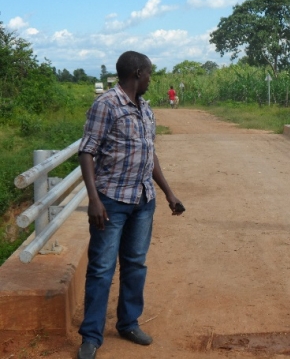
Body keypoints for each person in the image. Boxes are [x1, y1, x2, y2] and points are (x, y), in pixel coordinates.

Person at [77, 51, 184, 359]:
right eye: (149, 74)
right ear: (138, 73)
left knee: (135, 265)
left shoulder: (145, 109)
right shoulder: (106, 105)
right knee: (101, 268)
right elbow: (87, 152)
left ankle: (128, 323)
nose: (151, 79)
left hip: (143, 200)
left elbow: (149, 156)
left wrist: (168, 193)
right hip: (111, 201)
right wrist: (94, 200)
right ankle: (91, 336)